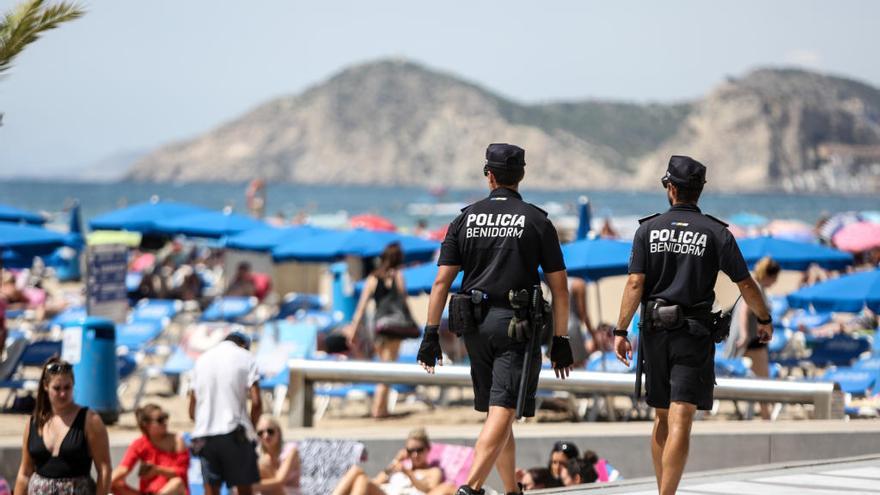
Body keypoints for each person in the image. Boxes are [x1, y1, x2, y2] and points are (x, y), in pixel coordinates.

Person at [417, 143, 574, 495]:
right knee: (504, 409)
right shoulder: (536, 220)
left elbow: (441, 281)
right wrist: (561, 340)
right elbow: (560, 288)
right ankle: (470, 488)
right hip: (516, 327)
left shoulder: (464, 219)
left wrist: (429, 335)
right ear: (521, 175)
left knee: (497, 412)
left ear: (489, 175)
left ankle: (510, 490)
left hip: (473, 326)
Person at [613, 155, 773, 495]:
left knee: (661, 417)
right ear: (699, 191)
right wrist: (764, 318)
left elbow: (634, 284)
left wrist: (620, 330)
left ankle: (663, 491)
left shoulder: (647, 229)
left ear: (671, 188)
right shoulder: (716, 233)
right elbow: (746, 284)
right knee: (682, 416)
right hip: (693, 333)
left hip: (654, 331)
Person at [14, 358, 112, 494]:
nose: (63, 394)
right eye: (57, 388)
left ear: (73, 385)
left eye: (67, 387)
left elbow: (104, 469)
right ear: (46, 386)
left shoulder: (90, 420)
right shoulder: (34, 423)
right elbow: (24, 473)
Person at [344, 242, 412, 418]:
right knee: (388, 368)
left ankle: (382, 408)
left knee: (384, 365)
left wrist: (353, 329)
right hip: (394, 327)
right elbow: (404, 301)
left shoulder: (373, 278)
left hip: (378, 327)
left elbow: (361, 307)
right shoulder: (398, 276)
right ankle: (378, 409)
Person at [189, 332, 262, 495]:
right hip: (235, 431)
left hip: (204, 435)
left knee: (211, 490)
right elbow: (256, 403)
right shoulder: (246, 357)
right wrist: (252, 429)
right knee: (244, 489)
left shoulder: (201, 360)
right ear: (243, 345)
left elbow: (192, 410)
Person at [733, 256, 780, 420]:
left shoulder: (755, 285)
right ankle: (766, 417)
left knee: (761, 382)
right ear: (769, 275)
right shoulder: (756, 288)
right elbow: (744, 311)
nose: (775, 282)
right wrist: (745, 334)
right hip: (752, 342)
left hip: (751, 341)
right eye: (774, 278)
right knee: (763, 382)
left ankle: (765, 415)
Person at [331, 428, 443, 495]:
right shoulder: (399, 466)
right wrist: (395, 460)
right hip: (384, 491)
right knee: (358, 473)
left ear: (428, 449)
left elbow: (430, 491)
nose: (415, 454)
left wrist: (409, 473)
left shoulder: (433, 471)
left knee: (363, 479)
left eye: (419, 450)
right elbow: (377, 481)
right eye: (411, 451)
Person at [111, 404, 189, 495]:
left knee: (176, 482)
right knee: (116, 484)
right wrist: (105, 483)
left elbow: (183, 474)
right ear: (146, 425)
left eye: (165, 417)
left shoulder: (177, 441)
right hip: (148, 492)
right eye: (160, 420)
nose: (165, 422)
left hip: (172, 491)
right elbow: (123, 468)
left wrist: (157, 470)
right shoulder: (140, 444)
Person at [254, 415, 301, 495]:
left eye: (270, 431)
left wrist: (250, 487)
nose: (266, 436)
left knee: (261, 468)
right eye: (260, 433)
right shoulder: (259, 455)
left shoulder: (291, 450)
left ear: (278, 432)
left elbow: (280, 481)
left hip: (290, 493)